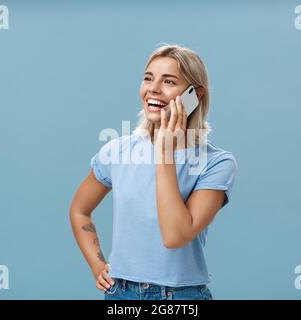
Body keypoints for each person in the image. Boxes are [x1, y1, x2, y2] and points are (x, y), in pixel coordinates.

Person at [69, 44, 237, 300]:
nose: (154, 89)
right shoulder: (118, 150)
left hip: (182, 296)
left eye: (169, 81)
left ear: (196, 94)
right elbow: (80, 210)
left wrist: (164, 152)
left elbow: (174, 236)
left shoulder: (217, 163)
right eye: (148, 78)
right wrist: (97, 264)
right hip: (121, 293)